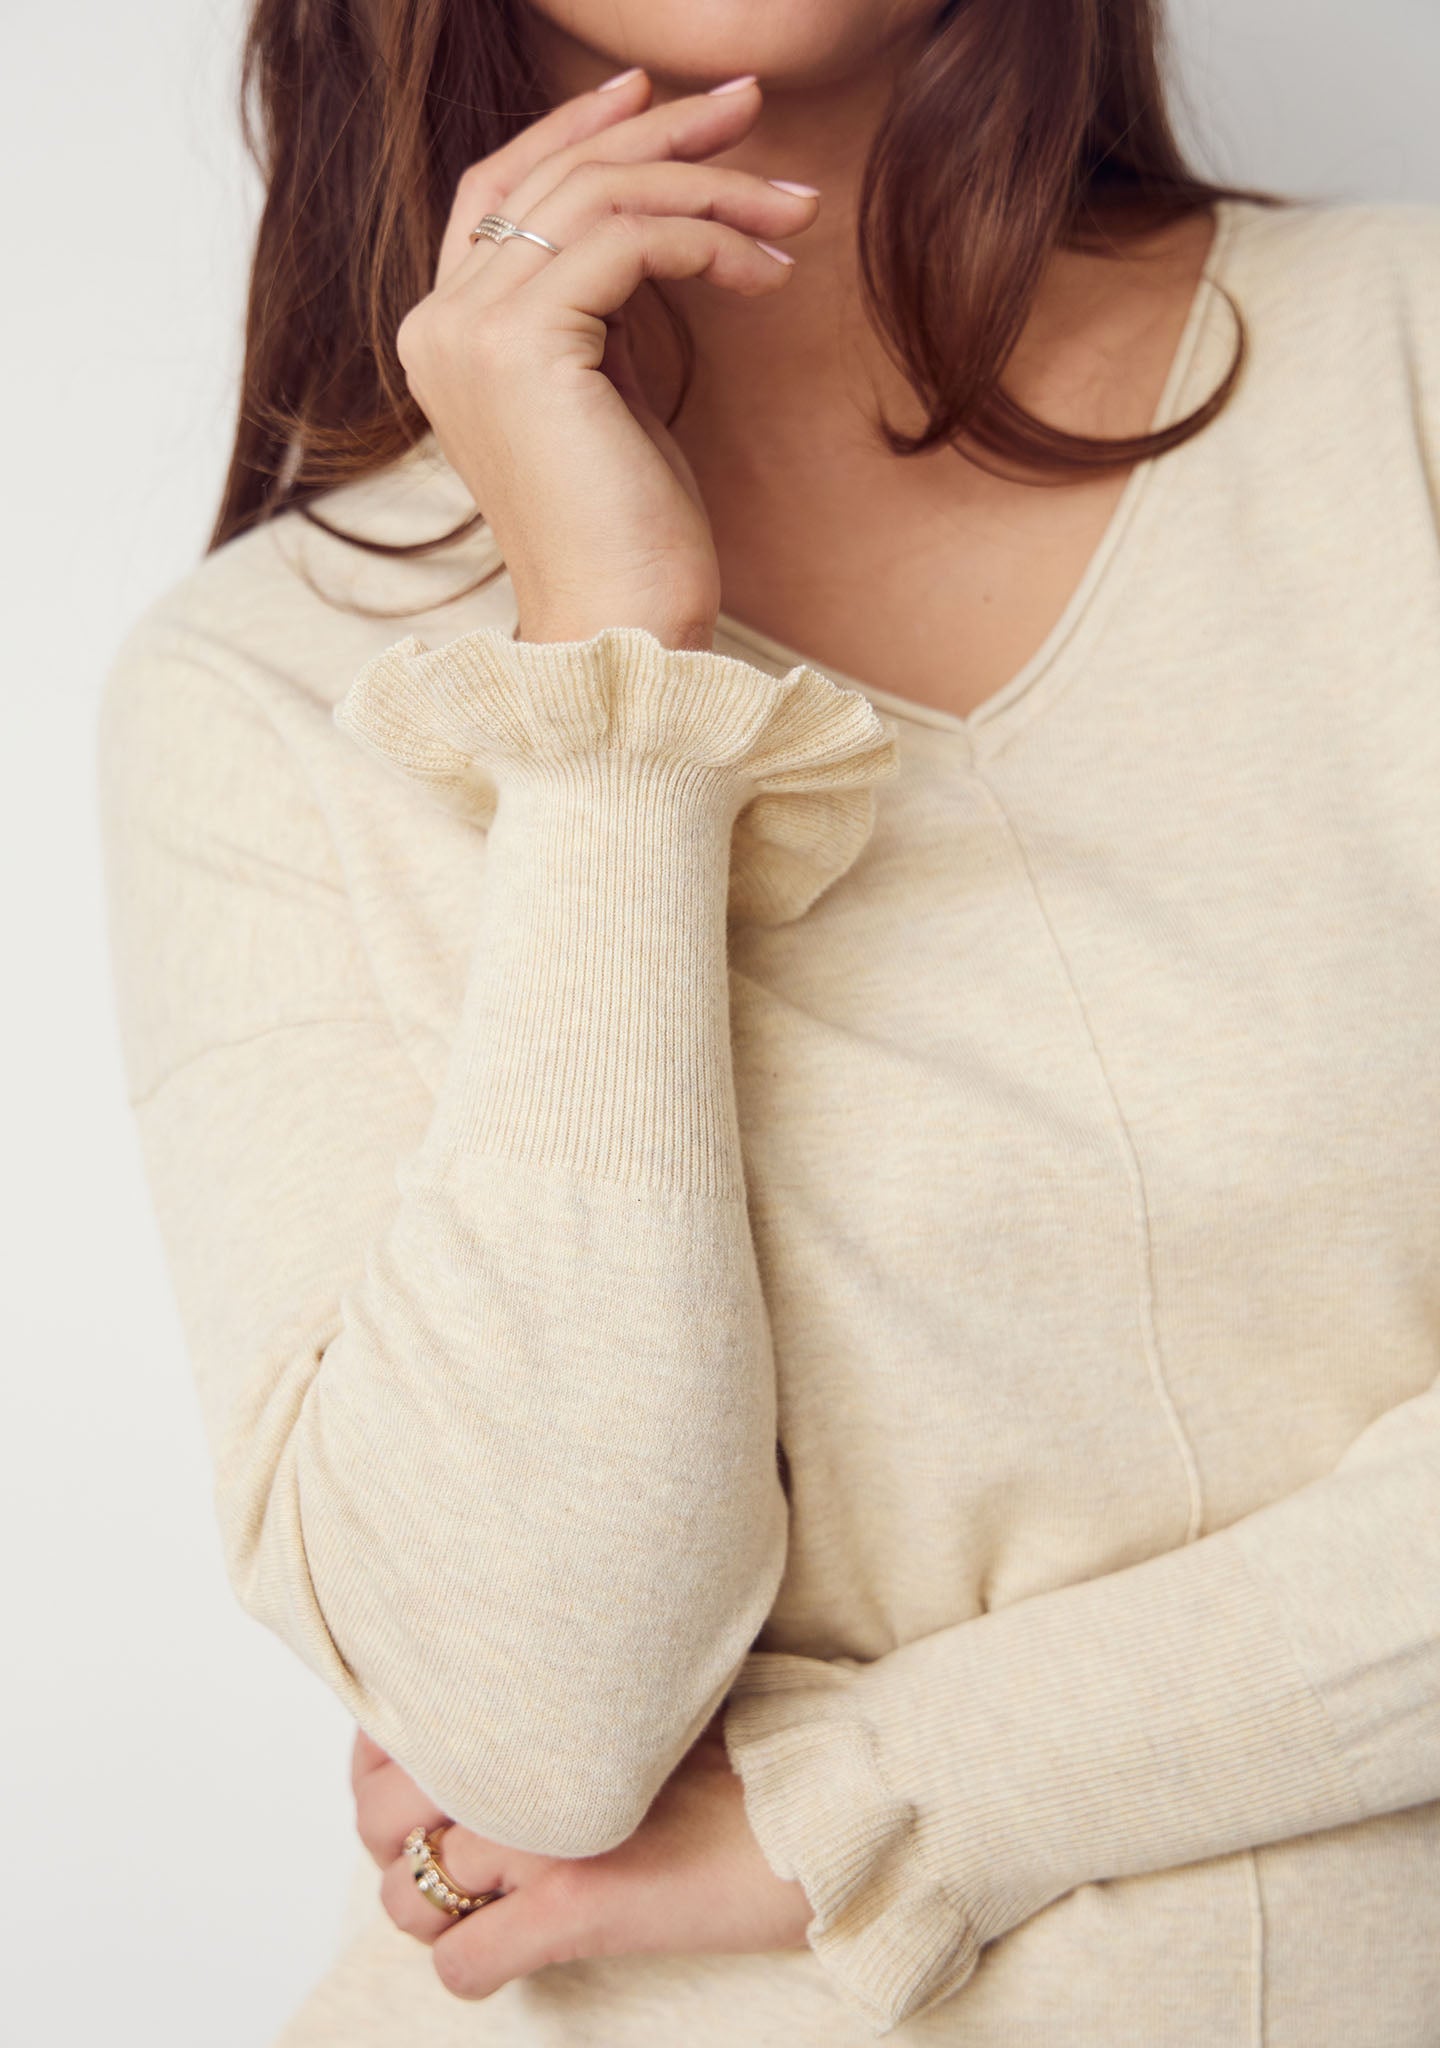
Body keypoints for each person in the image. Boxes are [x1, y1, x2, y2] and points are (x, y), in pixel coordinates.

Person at [95, 3, 1440, 2043]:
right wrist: (610, 694)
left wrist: (900, 1792)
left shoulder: (1402, 370)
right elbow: (536, 1720)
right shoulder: (268, 687)